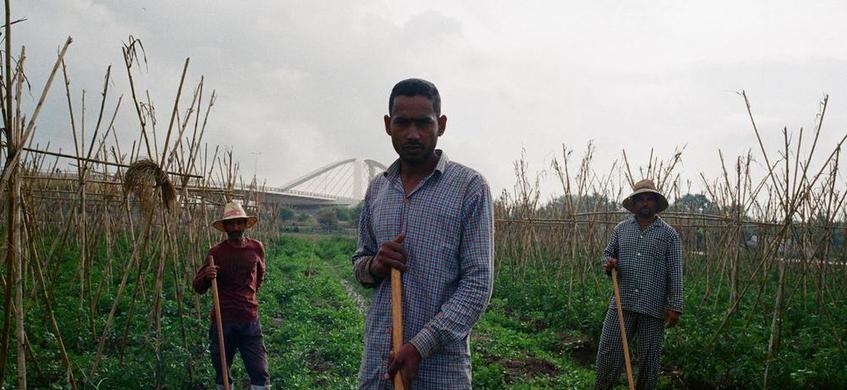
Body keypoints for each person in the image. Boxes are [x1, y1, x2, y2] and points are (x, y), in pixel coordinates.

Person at [352, 78, 494, 389]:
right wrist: (375, 265)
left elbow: (477, 284)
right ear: (389, 125)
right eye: (402, 123)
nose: (413, 134)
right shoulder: (378, 188)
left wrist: (420, 346)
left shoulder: (469, 188)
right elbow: (360, 262)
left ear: (440, 125)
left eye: (423, 123)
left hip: (439, 371)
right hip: (378, 365)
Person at [595, 179, 683, 390]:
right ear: (634, 204)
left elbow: (676, 271)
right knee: (608, 352)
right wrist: (609, 264)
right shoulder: (621, 230)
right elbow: (608, 254)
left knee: (649, 360)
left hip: (653, 306)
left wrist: (675, 306)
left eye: (649, 199)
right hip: (622, 302)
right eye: (641, 199)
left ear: (656, 203)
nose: (645, 203)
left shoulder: (669, 235)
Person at [193, 201, 270, 390]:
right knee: (222, 371)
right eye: (231, 224)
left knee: (259, 371)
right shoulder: (216, 253)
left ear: (245, 224)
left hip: (249, 320)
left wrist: (248, 297)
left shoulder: (256, 248)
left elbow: (259, 277)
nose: (235, 227)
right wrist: (207, 275)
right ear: (225, 227)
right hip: (223, 320)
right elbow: (198, 286)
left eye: (239, 223)